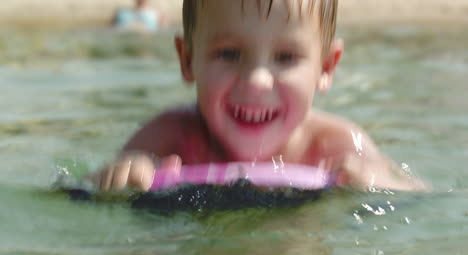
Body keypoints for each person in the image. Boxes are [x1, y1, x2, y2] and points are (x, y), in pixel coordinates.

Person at [94, 0, 426, 192]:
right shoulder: (170, 138)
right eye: (229, 54)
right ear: (187, 59)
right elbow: (86, 187)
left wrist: (381, 182)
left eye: (286, 57)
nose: (256, 81)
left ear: (326, 67)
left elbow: (420, 193)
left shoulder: (339, 145)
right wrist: (122, 177)